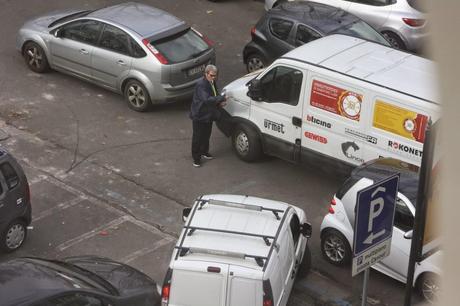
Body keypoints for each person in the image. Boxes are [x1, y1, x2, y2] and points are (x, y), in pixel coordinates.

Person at [190, 65, 227, 167]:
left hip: (208, 114)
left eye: (215, 76)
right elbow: (207, 99)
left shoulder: (212, 82)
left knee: (206, 135)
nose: (214, 77)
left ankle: (204, 151)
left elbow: (213, 95)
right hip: (200, 115)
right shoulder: (201, 85)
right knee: (198, 137)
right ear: (206, 74)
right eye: (212, 75)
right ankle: (196, 158)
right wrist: (221, 98)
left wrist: (219, 103)